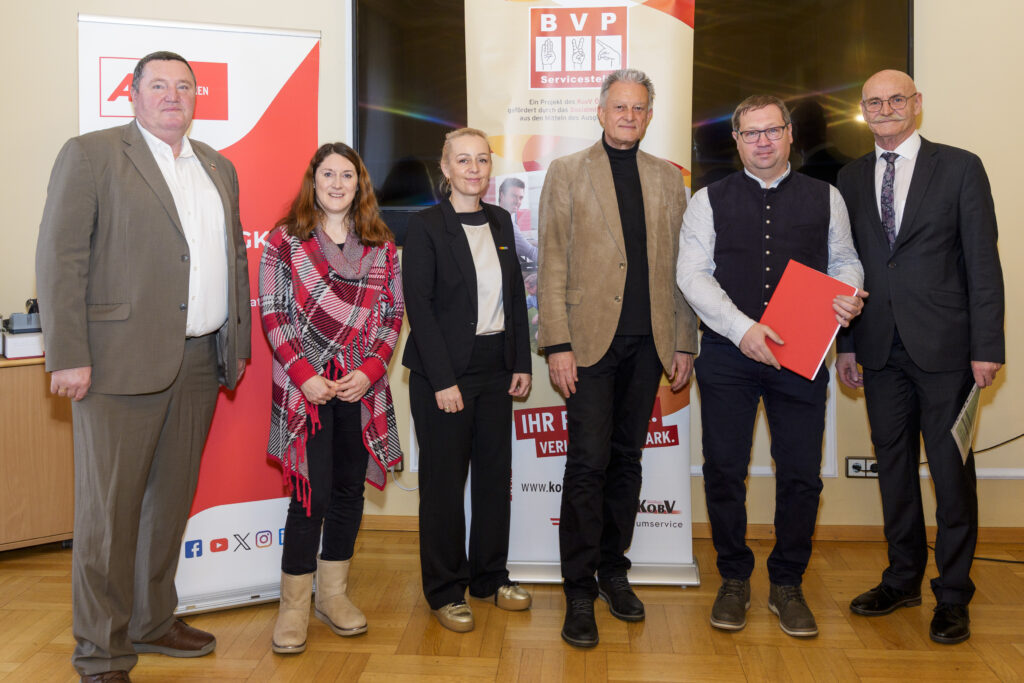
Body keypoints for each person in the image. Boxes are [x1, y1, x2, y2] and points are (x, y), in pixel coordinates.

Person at [35, 51, 251, 682]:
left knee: (168, 506)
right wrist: (68, 355)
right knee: (108, 515)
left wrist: (232, 346)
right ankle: (102, 651)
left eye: (184, 86)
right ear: (132, 95)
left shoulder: (218, 165)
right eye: (158, 85)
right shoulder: (91, 154)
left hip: (198, 362)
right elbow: (60, 259)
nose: (172, 95)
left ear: (195, 97)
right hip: (114, 368)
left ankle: (153, 622)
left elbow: (231, 258)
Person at [677, 94, 865, 638]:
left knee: (802, 475)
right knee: (724, 471)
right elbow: (692, 275)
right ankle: (734, 579)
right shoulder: (706, 200)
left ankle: (787, 584)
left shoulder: (825, 197)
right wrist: (743, 329)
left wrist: (849, 292)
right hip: (727, 355)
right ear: (735, 141)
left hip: (802, 355)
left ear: (789, 135)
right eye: (750, 132)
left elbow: (845, 259)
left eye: (771, 130)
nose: (762, 140)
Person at [836, 70, 1004, 645]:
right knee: (896, 473)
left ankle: (953, 594)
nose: (885, 109)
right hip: (878, 350)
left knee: (952, 474)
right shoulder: (850, 177)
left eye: (896, 99)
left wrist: (987, 347)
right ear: (864, 111)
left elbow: (983, 263)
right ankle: (902, 577)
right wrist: (848, 345)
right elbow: (846, 267)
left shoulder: (960, 167)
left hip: (948, 352)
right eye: (874, 102)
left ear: (917, 105)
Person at [537, 68, 698, 648]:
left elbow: (684, 269)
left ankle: (612, 572)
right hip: (586, 344)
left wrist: (684, 341)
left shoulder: (667, 178)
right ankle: (577, 589)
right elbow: (552, 260)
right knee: (587, 462)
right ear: (600, 112)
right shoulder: (567, 172)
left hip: (648, 344)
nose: (629, 116)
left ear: (650, 116)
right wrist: (556, 343)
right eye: (619, 107)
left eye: (639, 108)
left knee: (627, 460)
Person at [259, 143, 405, 653]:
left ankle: (332, 595)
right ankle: (294, 606)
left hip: (359, 389)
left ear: (359, 183)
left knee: (348, 490)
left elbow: (391, 316)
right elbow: (273, 313)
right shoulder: (286, 240)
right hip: (309, 392)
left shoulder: (381, 244)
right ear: (313, 181)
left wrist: (370, 370)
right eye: (328, 175)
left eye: (348, 175)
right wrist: (304, 375)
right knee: (310, 494)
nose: (338, 184)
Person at [402, 128, 533, 633]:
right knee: (443, 486)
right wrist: (442, 379)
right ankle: (445, 590)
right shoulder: (426, 226)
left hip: (496, 369)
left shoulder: (501, 220)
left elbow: (516, 300)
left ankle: (489, 578)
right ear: (446, 166)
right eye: (463, 160)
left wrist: (520, 361)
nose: (474, 169)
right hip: (444, 375)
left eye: (481, 160)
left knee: (494, 481)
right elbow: (422, 308)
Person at [497, 176, 537, 263]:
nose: (518, 201)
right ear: (501, 195)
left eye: (520, 198)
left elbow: (518, 243)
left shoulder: (497, 215)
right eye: (513, 196)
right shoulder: (506, 223)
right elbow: (531, 253)